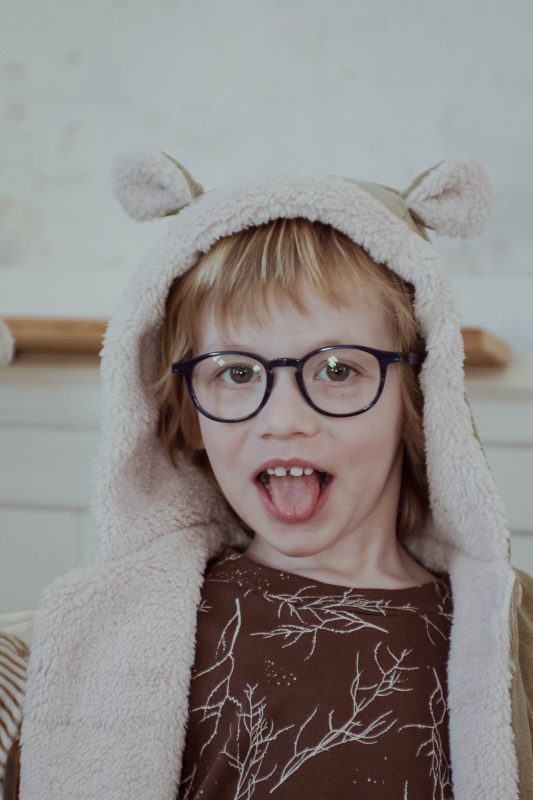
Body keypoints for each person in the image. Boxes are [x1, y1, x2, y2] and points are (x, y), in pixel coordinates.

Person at [2, 152, 532, 799]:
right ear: (189, 411)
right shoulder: (106, 646)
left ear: (419, 394)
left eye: (337, 370)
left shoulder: (509, 637)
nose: (283, 420)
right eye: (236, 372)